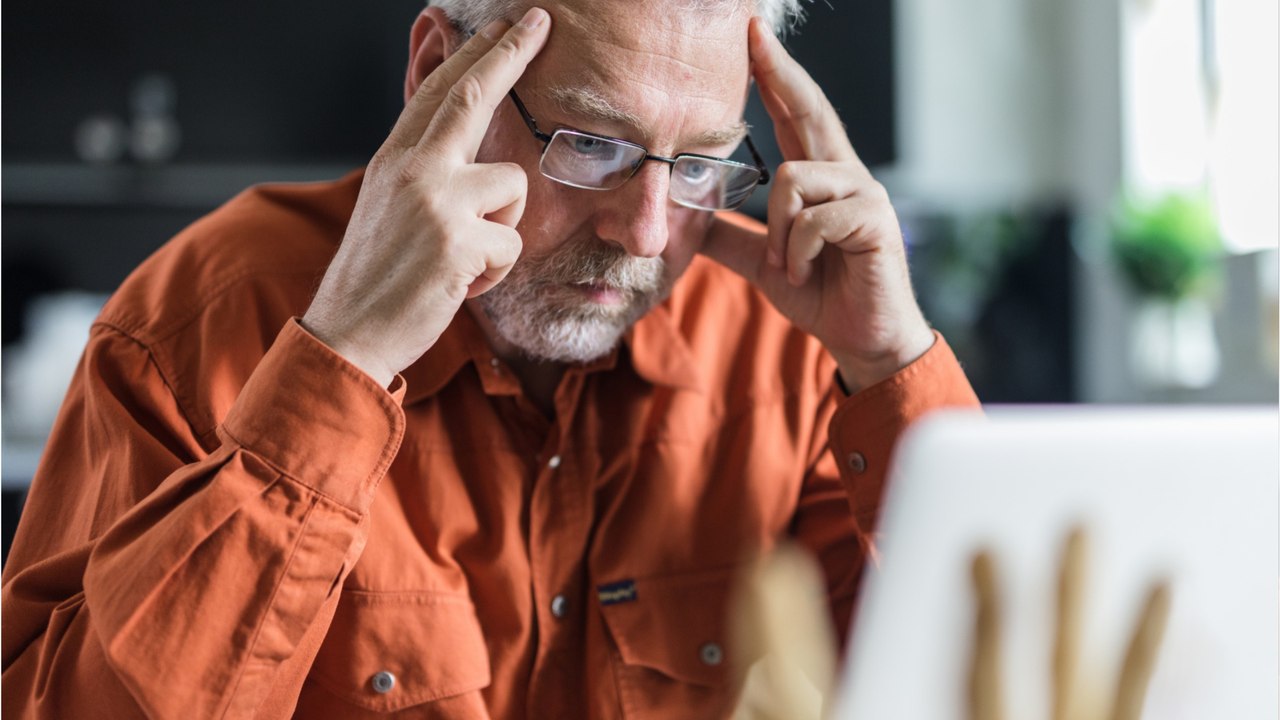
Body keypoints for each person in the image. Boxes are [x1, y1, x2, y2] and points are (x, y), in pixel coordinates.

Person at [1, 0, 979, 717]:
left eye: (697, 166)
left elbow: (993, 681)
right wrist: (342, 359)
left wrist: (887, 359)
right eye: (591, 144)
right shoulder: (197, 321)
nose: (644, 235)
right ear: (436, 72)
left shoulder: (779, 344)